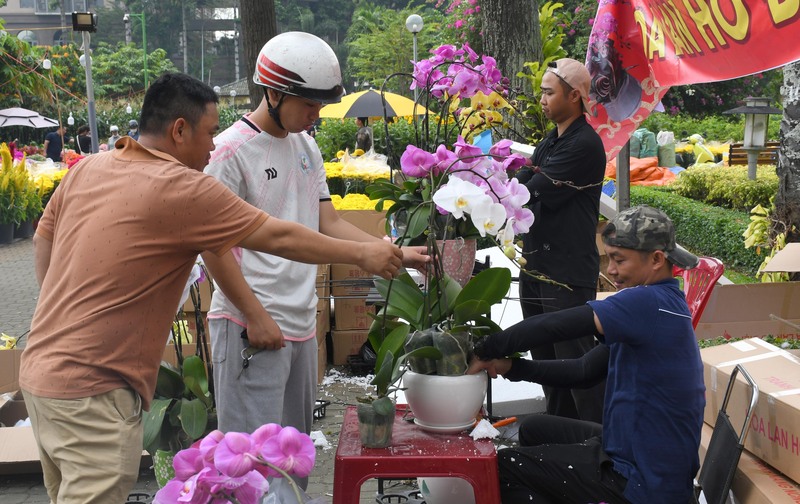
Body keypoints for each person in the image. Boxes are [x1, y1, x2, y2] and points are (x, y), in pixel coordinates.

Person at [18, 72, 404, 504]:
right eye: (208, 133)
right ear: (179, 131)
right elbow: (278, 237)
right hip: (97, 389)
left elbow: (43, 236)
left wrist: (56, 310)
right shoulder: (183, 187)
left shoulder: (89, 167)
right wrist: (361, 256)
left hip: (41, 377)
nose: (214, 146)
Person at [203, 32, 429, 491]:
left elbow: (327, 222)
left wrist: (394, 252)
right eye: (309, 104)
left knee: (293, 457)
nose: (316, 115)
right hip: (251, 325)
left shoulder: (306, 147)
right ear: (274, 92)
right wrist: (254, 315)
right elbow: (214, 248)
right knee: (250, 466)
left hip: (301, 324)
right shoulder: (229, 153)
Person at [468, 205, 705, 504]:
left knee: (502, 467)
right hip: (629, 446)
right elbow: (583, 371)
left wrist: (485, 348)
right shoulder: (661, 304)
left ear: (657, 259)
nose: (611, 270)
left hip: (643, 481)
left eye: (619, 260)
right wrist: (510, 366)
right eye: (609, 258)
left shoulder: (647, 302)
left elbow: (557, 325)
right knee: (534, 428)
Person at [515, 57, 607, 422]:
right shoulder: (550, 141)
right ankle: (557, 439)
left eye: (548, 92)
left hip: (566, 272)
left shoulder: (584, 144)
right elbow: (519, 181)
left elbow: (530, 189)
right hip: (537, 265)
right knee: (548, 368)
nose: (541, 99)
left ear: (574, 96)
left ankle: (596, 449)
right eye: (541, 92)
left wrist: (506, 188)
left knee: (576, 367)